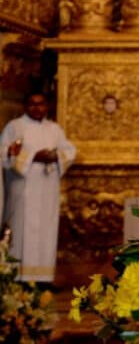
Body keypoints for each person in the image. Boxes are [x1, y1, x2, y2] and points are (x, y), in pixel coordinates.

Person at [0, 91, 77, 283]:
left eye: (41, 104)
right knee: (21, 230)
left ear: (47, 106)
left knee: (46, 230)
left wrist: (55, 156)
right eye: (33, 104)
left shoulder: (54, 129)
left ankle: (43, 279)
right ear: (26, 106)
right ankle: (18, 277)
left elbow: (69, 150)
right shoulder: (15, 127)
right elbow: (4, 153)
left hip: (47, 187)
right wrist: (33, 156)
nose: (37, 108)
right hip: (22, 189)